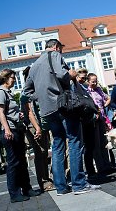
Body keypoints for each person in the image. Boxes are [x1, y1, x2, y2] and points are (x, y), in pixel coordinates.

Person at [22, 39, 100, 196]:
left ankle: (61, 187)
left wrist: (43, 96)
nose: (61, 52)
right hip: (63, 106)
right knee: (75, 141)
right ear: (56, 47)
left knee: (57, 145)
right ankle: (79, 184)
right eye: (61, 49)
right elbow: (62, 74)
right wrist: (71, 74)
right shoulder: (55, 56)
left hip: (47, 110)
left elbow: (26, 91)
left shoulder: (35, 66)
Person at [0, 68, 41, 203]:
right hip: (10, 131)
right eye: (12, 77)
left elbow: (9, 112)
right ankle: (14, 193)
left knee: (21, 161)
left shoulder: (8, 93)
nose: (14, 79)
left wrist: (18, 115)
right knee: (13, 163)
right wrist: (7, 129)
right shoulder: (0, 93)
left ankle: (26, 188)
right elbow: (1, 113)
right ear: (5, 78)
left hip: (17, 129)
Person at [21, 66, 54, 192]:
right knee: (40, 154)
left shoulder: (35, 90)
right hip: (34, 127)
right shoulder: (26, 92)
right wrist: (37, 128)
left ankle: (47, 178)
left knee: (44, 153)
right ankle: (43, 181)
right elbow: (29, 113)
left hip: (41, 125)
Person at [84, 73, 114, 177]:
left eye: (96, 81)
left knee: (103, 142)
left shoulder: (99, 90)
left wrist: (103, 106)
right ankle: (101, 167)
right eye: (93, 81)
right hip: (93, 120)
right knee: (96, 144)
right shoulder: (87, 92)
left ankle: (107, 165)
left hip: (102, 118)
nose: (95, 83)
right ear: (88, 81)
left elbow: (108, 98)